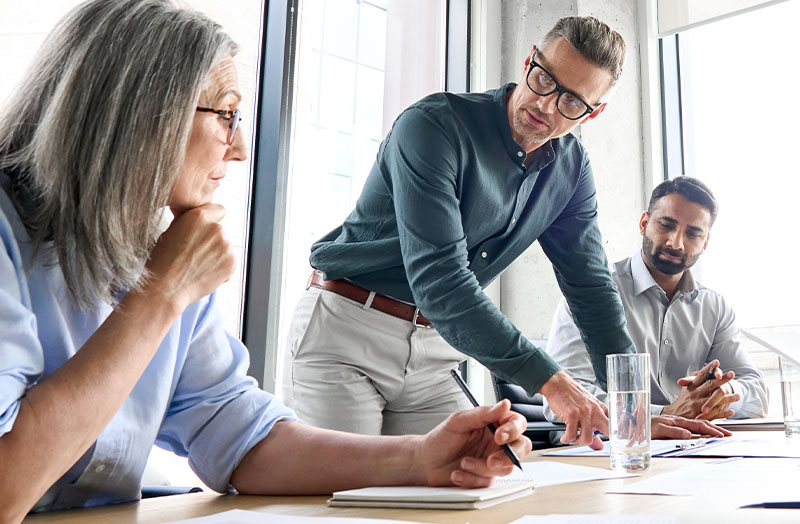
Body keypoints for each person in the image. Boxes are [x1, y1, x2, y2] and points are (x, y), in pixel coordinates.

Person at [0, 1, 533, 521]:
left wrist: (419, 459)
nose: (239, 151)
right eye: (227, 116)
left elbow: (239, 435)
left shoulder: (160, 249)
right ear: (141, 116)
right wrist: (161, 296)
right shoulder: (30, 239)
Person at [283, 15, 728, 445]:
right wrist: (553, 383)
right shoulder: (434, 126)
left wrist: (635, 411)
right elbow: (442, 281)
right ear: (529, 60)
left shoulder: (570, 170)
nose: (546, 105)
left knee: (474, 492)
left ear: (592, 114)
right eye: (544, 79)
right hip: (347, 332)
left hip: (434, 351)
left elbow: (591, 289)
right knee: (344, 501)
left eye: (572, 101)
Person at [544, 177, 768, 423]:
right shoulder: (590, 291)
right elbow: (563, 398)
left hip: (688, 447)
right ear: (644, 223)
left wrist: (726, 392)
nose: (676, 243)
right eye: (666, 225)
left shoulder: (714, 308)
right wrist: (662, 415)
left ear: (705, 243)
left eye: (693, 234)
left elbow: (757, 393)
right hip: (605, 449)